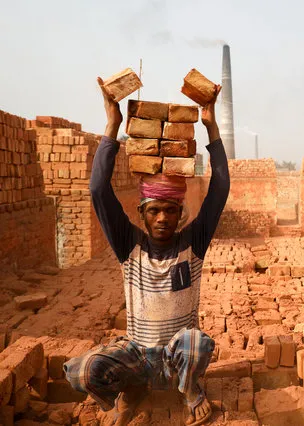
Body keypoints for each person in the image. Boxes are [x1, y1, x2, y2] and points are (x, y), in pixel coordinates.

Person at [63, 77, 230, 425]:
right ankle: (133, 390)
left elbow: (220, 187)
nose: (163, 218)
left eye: (171, 210)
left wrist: (211, 128)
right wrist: (113, 126)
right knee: (85, 371)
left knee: (197, 343)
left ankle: (188, 389)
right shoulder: (129, 245)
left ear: (181, 213)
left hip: (175, 357)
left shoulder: (192, 243)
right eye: (154, 210)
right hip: (137, 356)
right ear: (141, 213)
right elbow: (98, 189)